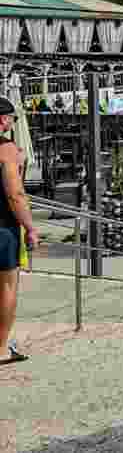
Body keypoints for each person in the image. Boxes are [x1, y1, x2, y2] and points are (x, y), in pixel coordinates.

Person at [0, 97, 37, 365]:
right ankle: (1, 348)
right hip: (2, 227)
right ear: (3, 120)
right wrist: (30, 227)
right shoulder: (6, 149)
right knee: (7, 286)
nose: (13, 123)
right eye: (13, 119)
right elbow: (15, 194)